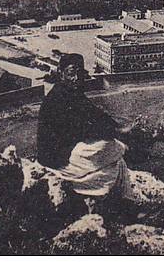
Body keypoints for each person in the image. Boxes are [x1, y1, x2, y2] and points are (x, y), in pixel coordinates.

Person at [37, 53, 134, 207]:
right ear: (61, 74)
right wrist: (116, 132)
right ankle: (103, 195)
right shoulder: (57, 98)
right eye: (71, 74)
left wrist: (116, 126)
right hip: (57, 158)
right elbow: (82, 129)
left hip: (70, 149)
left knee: (118, 160)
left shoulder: (73, 93)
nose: (76, 78)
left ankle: (128, 201)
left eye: (79, 73)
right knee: (109, 146)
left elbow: (96, 114)